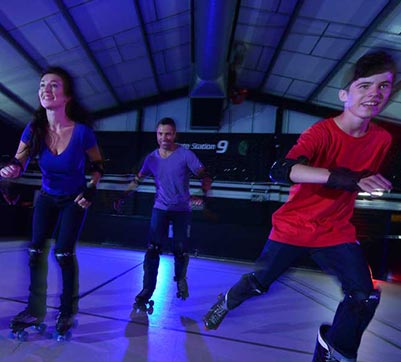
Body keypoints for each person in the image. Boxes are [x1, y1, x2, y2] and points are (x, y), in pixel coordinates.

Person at [203, 50, 396, 362]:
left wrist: (366, 179)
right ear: (344, 94)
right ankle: (225, 301)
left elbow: (360, 173)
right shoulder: (320, 132)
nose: (375, 93)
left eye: (384, 87)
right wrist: (341, 178)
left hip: (335, 231)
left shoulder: (383, 139)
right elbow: (283, 170)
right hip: (293, 227)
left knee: (363, 295)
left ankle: (333, 351)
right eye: (365, 86)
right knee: (258, 283)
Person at [0, 66, 103, 337]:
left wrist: (92, 189)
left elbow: (98, 166)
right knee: (35, 252)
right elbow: (18, 161)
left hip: (74, 199)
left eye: (54, 85)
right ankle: (35, 310)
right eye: (43, 84)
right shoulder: (34, 129)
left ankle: (67, 312)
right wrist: (10, 170)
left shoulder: (81, 132)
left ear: (66, 96)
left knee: (63, 253)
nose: (46, 88)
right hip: (47, 196)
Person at [122, 117, 211, 312]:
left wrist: (204, 192)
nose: (164, 138)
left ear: (175, 134)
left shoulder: (186, 155)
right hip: (160, 208)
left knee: (180, 249)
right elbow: (138, 180)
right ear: (156, 135)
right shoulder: (151, 158)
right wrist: (124, 195)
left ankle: (180, 280)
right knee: (153, 249)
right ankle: (146, 290)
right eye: (161, 134)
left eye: (168, 133)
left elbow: (204, 174)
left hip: (182, 211)